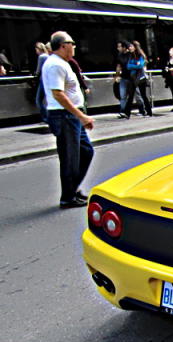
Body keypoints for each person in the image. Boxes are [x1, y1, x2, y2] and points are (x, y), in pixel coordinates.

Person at [41, 31, 94, 209]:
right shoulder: (55, 65)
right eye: (72, 43)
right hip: (65, 116)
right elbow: (58, 94)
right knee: (70, 158)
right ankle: (68, 197)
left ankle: (72, 189)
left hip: (70, 116)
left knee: (86, 151)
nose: (74, 47)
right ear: (63, 45)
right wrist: (81, 115)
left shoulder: (62, 63)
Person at [124, 41, 152, 118]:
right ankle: (127, 113)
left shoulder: (140, 55)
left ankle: (149, 112)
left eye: (131, 46)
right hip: (133, 78)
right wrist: (135, 65)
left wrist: (133, 65)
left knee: (143, 95)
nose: (129, 48)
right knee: (131, 95)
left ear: (135, 47)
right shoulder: (131, 56)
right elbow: (128, 66)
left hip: (140, 78)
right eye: (129, 46)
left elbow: (140, 66)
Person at [34, 42, 49, 123]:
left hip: (42, 81)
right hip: (47, 80)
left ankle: (45, 118)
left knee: (38, 100)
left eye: (36, 49)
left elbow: (38, 70)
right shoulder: (48, 56)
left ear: (38, 49)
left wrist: (35, 75)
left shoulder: (41, 57)